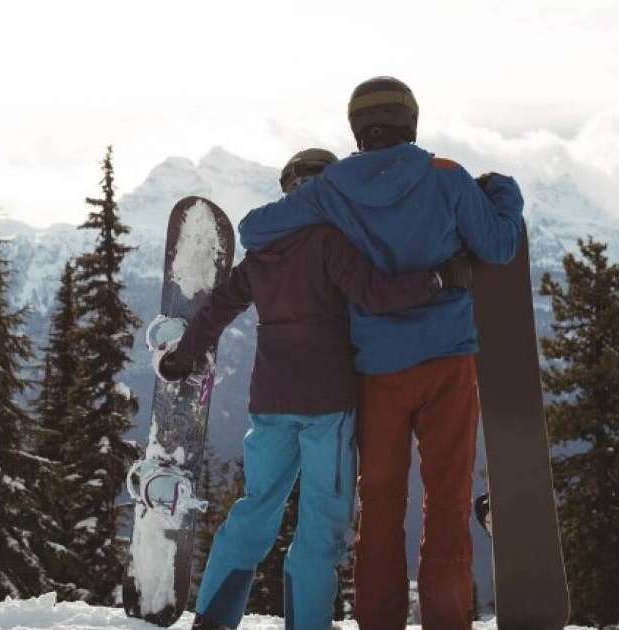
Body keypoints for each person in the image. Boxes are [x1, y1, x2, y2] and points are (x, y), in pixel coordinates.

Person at [236, 77, 525, 630]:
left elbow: (253, 230)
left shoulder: (334, 188)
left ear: (356, 128)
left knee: (382, 503)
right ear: (409, 122)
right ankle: (446, 620)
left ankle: (379, 620)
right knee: (448, 499)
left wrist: (310, 202)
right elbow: (499, 246)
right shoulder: (447, 177)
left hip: (377, 370)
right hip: (447, 361)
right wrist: (504, 190)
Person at [157, 147, 474, 630]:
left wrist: (183, 356)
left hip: (269, 406)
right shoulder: (330, 242)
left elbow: (219, 308)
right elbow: (376, 295)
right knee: (320, 529)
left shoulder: (262, 253)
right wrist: (437, 279)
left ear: (288, 189)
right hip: (328, 406)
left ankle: (214, 619)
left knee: (256, 507)